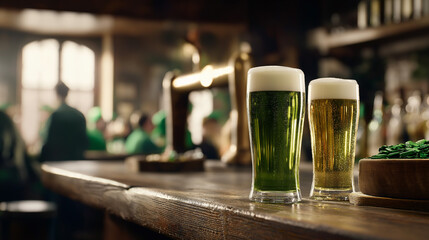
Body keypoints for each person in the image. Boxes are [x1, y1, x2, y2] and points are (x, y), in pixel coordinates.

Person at [40, 82, 88, 161]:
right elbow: (85, 142)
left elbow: (47, 140)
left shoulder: (55, 116)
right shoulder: (79, 115)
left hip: (57, 162)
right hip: (76, 161)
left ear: (56, 94)